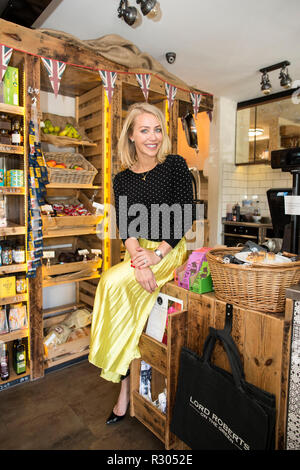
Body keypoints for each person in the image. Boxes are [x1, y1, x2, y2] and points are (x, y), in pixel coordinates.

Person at [89, 102, 195, 424]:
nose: (153, 137)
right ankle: (124, 392)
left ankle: (121, 387)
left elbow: (187, 213)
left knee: (109, 282)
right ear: (131, 136)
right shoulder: (122, 179)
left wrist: (157, 255)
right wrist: (140, 261)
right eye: (145, 130)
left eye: (158, 129)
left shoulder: (175, 164)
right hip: (138, 255)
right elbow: (128, 228)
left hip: (168, 250)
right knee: (124, 310)